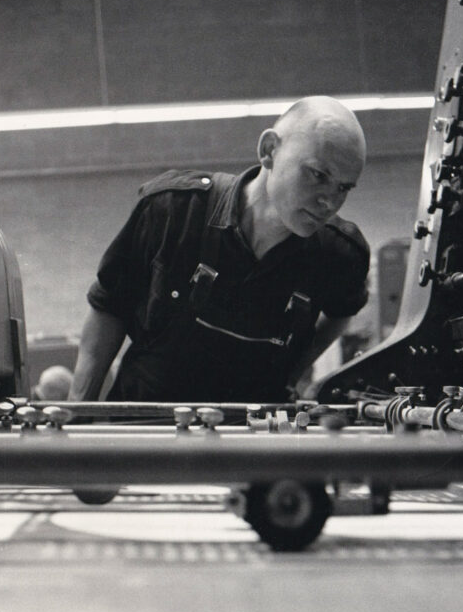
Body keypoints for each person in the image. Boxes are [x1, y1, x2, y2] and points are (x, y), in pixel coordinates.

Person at [69, 95, 369, 402]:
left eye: (343, 187)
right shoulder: (173, 212)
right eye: (318, 175)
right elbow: (109, 308)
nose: (329, 202)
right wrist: (76, 419)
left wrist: (292, 373)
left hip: (253, 436)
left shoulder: (339, 255)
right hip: (148, 426)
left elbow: (342, 312)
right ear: (269, 151)